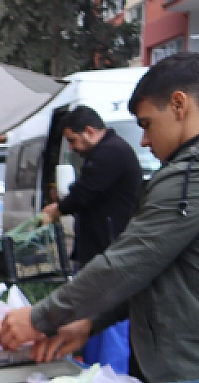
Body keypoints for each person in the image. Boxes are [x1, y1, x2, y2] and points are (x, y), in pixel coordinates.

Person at [1, 53, 199, 383]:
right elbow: (160, 274)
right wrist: (91, 322)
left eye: (147, 124)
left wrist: (39, 317)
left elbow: (124, 265)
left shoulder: (197, 179)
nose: (144, 141)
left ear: (179, 105)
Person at [42, 105, 144, 268]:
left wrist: (57, 209)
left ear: (89, 131)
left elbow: (85, 192)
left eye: (72, 140)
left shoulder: (110, 151)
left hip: (108, 247)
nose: (71, 147)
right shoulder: (103, 151)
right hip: (100, 246)